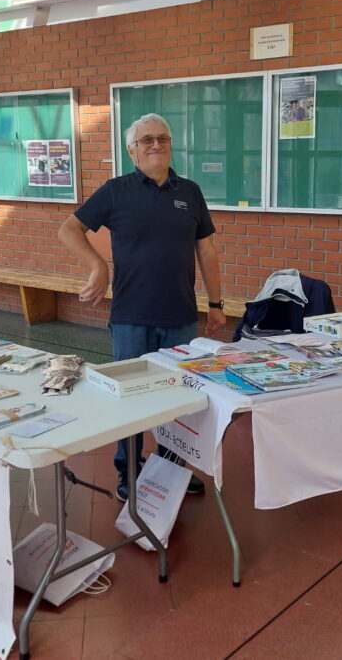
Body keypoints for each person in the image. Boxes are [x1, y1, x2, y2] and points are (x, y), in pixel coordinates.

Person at [58, 113, 225, 501]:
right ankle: (128, 472)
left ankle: (170, 470)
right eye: (146, 140)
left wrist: (216, 304)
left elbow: (207, 250)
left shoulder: (191, 192)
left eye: (162, 139)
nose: (156, 145)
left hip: (181, 318)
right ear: (132, 151)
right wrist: (97, 265)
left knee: (178, 401)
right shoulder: (116, 191)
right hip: (131, 318)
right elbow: (69, 229)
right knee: (129, 402)